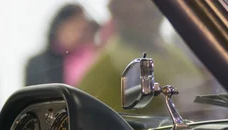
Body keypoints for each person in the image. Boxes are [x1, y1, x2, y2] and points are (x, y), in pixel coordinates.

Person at [76, 0, 205, 116]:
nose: (150, 7)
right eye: (139, 1)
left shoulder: (173, 52)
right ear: (116, 8)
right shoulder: (107, 71)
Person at [25, 4, 98, 87]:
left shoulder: (94, 56)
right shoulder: (38, 64)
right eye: (73, 27)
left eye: (81, 28)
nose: (78, 33)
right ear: (59, 27)